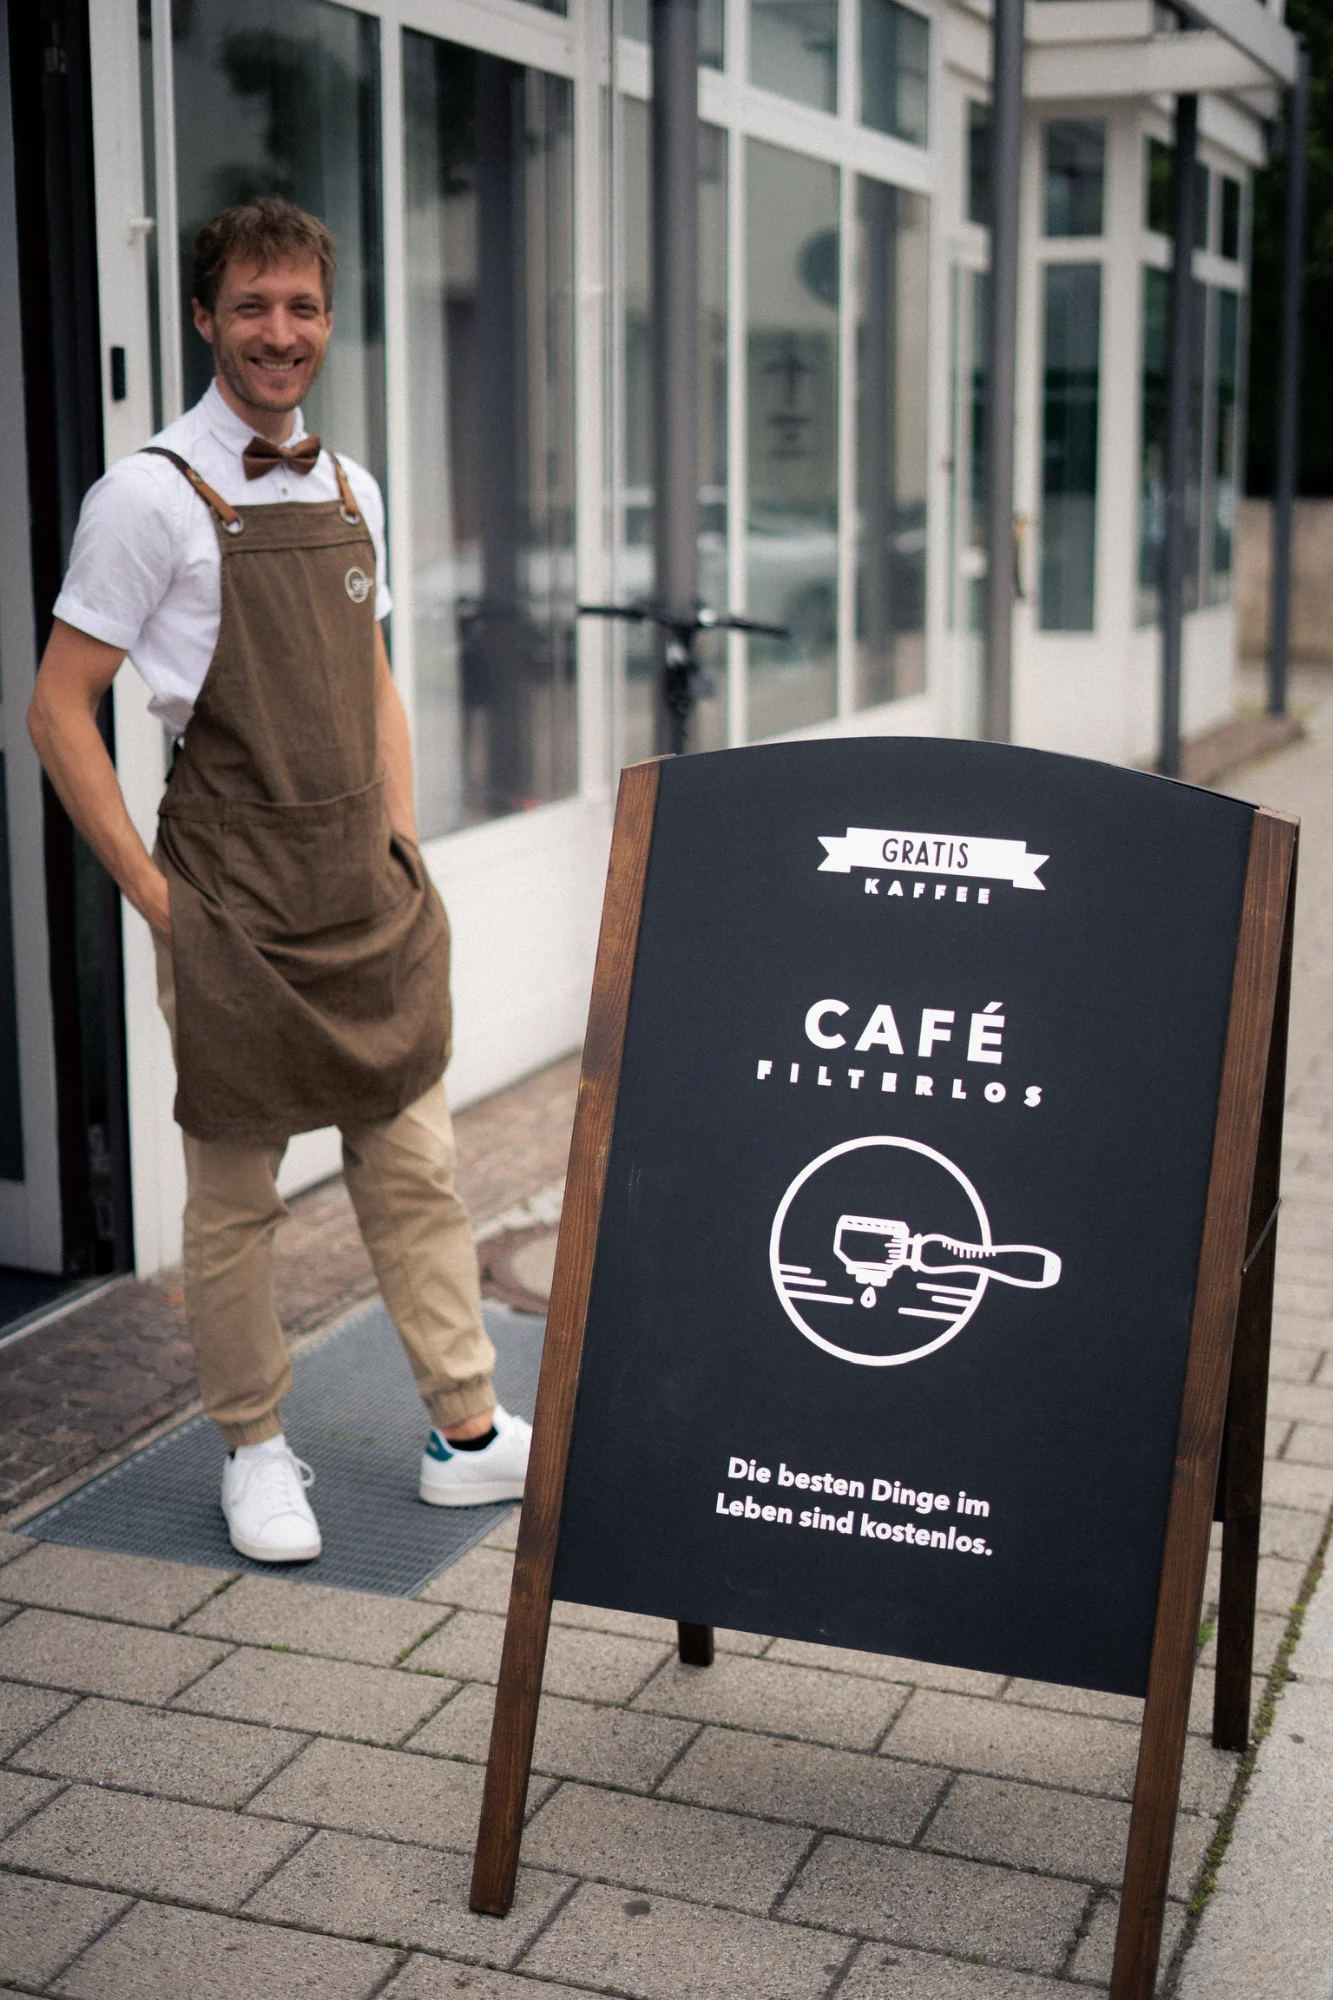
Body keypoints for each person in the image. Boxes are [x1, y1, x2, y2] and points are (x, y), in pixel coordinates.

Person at [28, 196, 531, 1563]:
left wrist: (404, 847)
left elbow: (374, 686)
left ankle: (468, 1431)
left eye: (302, 305)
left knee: (416, 1170)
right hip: (233, 908)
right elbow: (57, 709)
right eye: (251, 305)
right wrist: (157, 901)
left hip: (364, 897)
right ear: (205, 317)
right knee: (238, 1203)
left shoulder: (350, 488)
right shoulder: (147, 496)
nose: (279, 331)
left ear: (327, 320)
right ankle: (253, 1450)